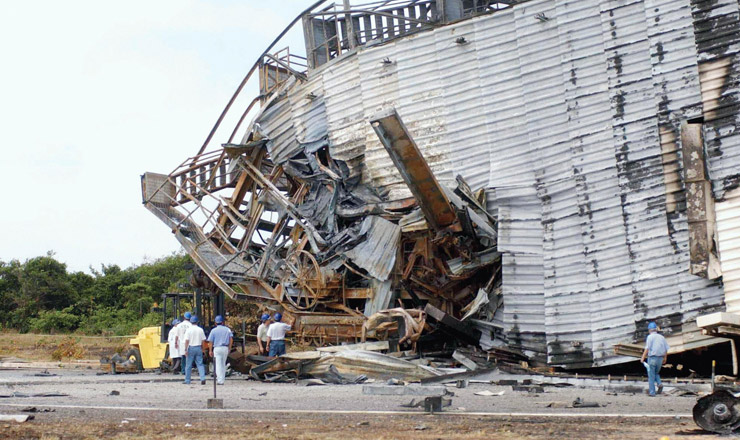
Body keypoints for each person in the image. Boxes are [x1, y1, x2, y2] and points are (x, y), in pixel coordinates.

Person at [640, 322, 670, 397]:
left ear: (649, 330)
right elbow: (666, 348)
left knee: (651, 376)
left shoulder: (650, 337)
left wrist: (643, 357)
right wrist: (665, 358)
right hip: (660, 358)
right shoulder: (661, 337)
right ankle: (659, 383)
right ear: (656, 329)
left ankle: (652, 392)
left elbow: (647, 348)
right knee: (656, 373)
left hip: (652, 358)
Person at [207, 315, 233, 385]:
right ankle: (222, 379)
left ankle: (220, 380)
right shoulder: (227, 329)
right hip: (225, 348)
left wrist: (210, 350)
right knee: (223, 364)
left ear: (215, 323)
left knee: (218, 364)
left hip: (217, 348)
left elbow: (210, 341)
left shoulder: (213, 330)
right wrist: (229, 348)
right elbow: (231, 339)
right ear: (222, 322)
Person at [183, 315, 207, 385]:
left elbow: (187, 340)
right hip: (198, 348)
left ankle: (187, 380)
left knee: (188, 365)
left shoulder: (189, 330)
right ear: (197, 322)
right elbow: (203, 340)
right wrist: (203, 349)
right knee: (200, 364)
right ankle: (202, 378)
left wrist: (185, 350)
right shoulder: (200, 330)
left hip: (191, 348)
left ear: (191, 322)